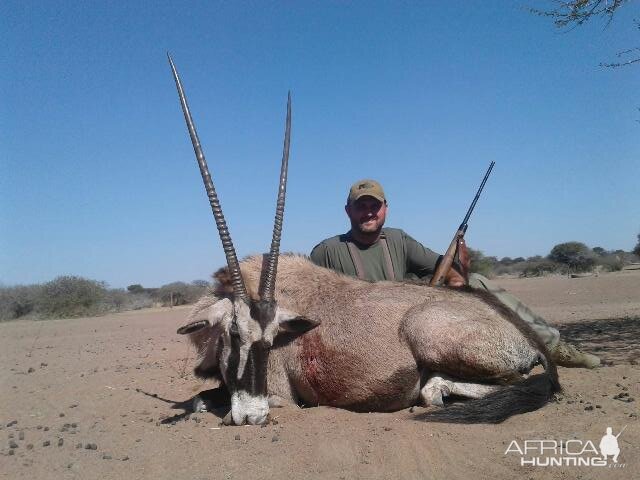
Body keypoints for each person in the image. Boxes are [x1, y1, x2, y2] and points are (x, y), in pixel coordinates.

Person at [310, 179, 600, 369]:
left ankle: (552, 344)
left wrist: (457, 274)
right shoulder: (325, 251)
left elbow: (444, 268)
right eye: (362, 207)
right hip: (362, 335)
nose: (369, 213)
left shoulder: (399, 240)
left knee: (476, 282)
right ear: (348, 211)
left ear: (386, 209)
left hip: (410, 320)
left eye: (375, 206)